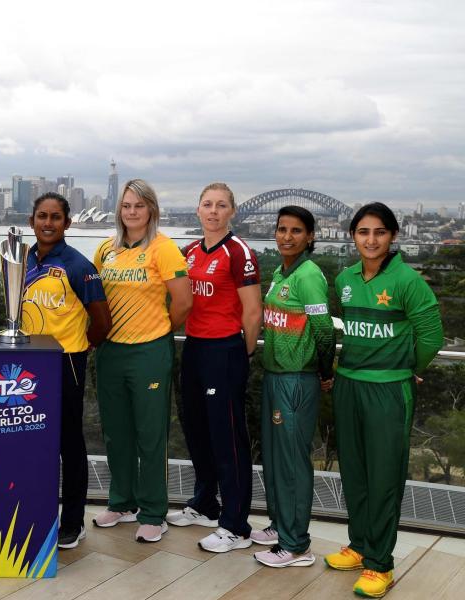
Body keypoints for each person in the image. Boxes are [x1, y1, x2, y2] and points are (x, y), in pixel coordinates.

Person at [323, 203, 443, 598]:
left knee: (384, 477)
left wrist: (410, 367)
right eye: (362, 232)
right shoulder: (345, 277)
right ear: (353, 236)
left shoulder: (408, 281)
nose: (370, 240)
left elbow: (431, 338)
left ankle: (380, 564)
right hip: (348, 386)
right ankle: (359, 546)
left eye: (379, 232)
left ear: (392, 236)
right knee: (354, 472)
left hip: (389, 390)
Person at [91, 179, 191, 543]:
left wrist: (160, 330)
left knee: (151, 436)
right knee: (117, 433)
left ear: (151, 209)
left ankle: (153, 512)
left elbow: (183, 302)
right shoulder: (106, 249)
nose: (131, 212)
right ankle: (122, 502)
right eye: (126, 206)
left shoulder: (164, 249)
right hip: (111, 352)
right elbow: (94, 298)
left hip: (149, 351)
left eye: (139, 206)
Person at [171, 182, 262, 553]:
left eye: (221, 205)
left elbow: (253, 312)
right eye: (207, 205)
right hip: (194, 347)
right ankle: (205, 504)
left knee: (228, 438)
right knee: (196, 430)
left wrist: (243, 354)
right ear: (198, 211)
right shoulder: (189, 251)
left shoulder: (239, 252)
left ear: (232, 212)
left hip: (225, 350)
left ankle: (236, 524)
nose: (213, 211)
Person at [22, 192, 111, 549]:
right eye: (41, 216)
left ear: (67, 223)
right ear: (32, 221)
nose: (47, 223)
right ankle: (33, 512)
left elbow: (102, 322)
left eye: (55, 217)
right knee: (32, 442)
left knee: (68, 444)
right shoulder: (23, 258)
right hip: (27, 363)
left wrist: (80, 345)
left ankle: (73, 521)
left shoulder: (79, 266)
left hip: (66, 363)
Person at [251, 206, 335, 569]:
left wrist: (324, 370)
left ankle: (297, 544)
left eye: (296, 231)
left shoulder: (309, 275)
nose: (286, 236)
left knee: (292, 463)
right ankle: (281, 525)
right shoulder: (282, 271)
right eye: (282, 229)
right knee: (274, 458)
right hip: (275, 375)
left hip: (297, 378)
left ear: (310, 236)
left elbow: (325, 330)